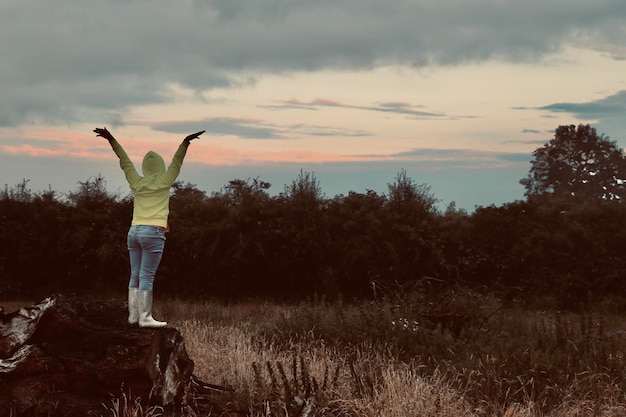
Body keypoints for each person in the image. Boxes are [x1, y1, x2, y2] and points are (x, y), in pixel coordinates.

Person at [94, 127, 204, 328]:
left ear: (145, 167)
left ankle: (133, 316)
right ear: (160, 167)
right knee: (146, 275)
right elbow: (177, 162)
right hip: (153, 232)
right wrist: (185, 143)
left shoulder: (136, 182)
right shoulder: (165, 180)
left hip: (134, 232)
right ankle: (145, 318)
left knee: (135, 273)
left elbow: (124, 162)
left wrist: (111, 139)